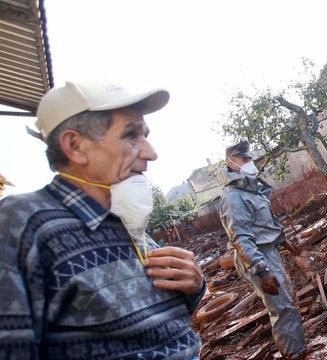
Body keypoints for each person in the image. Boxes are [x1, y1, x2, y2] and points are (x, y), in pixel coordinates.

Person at [0, 79, 205, 358]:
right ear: (75, 146)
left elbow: (163, 323)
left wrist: (194, 286)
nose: (151, 153)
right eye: (131, 135)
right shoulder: (23, 222)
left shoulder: (125, 220)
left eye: (145, 135)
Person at [219, 140, 305, 359]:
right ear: (230, 164)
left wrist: (283, 242)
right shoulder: (233, 197)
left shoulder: (252, 191)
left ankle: (297, 350)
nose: (249, 162)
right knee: (282, 308)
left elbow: (264, 224)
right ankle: (293, 355)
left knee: (288, 303)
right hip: (256, 257)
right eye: (244, 159)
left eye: (250, 159)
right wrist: (262, 270)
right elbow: (240, 238)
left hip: (267, 252)